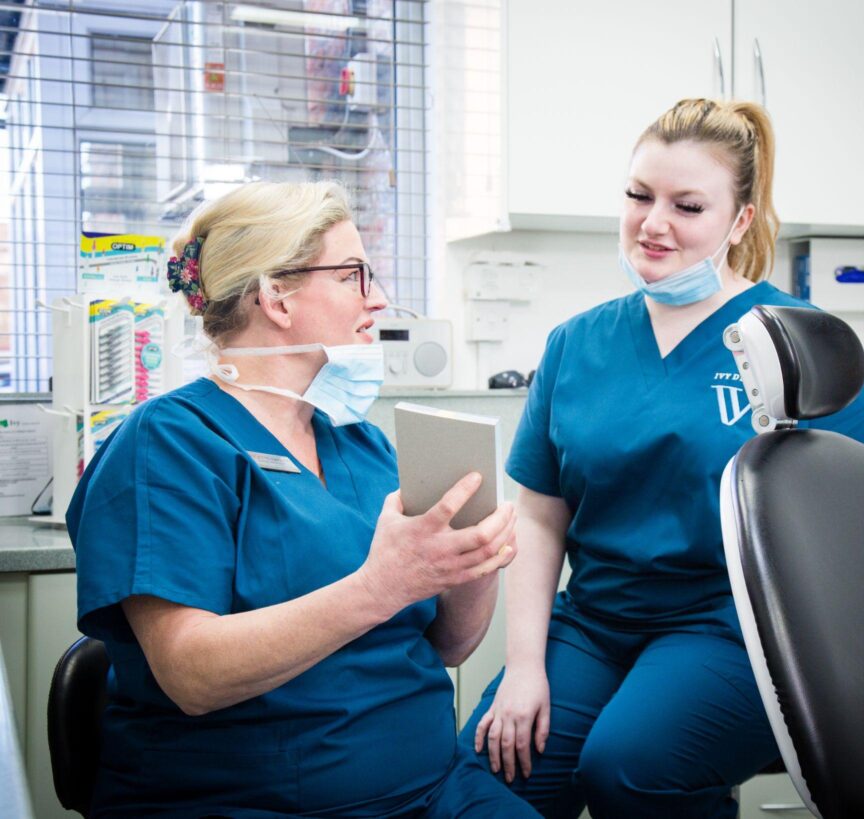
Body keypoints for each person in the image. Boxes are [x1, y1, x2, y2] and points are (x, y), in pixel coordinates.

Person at [457, 98, 864, 818]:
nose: (653, 222)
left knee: (630, 768)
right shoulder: (575, 342)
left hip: (738, 628)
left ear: (740, 220)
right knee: (488, 773)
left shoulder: (797, 342)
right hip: (597, 620)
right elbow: (540, 517)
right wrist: (526, 664)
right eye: (639, 196)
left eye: (687, 205)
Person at [68, 180, 540, 818]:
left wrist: (473, 566)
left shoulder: (362, 442)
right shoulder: (167, 444)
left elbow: (447, 647)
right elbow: (191, 675)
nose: (378, 299)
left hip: (435, 790)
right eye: (353, 276)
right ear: (276, 297)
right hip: (252, 803)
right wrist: (381, 585)